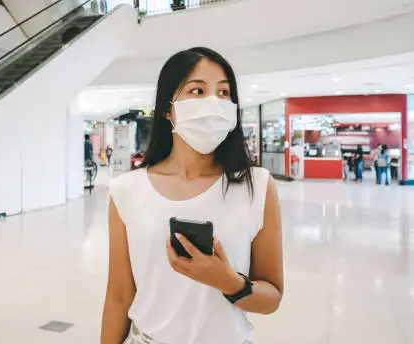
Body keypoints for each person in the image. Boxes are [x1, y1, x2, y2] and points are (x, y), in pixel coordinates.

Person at [101, 47, 284, 344]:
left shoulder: (257, 186)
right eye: (197, 90)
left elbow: (272, 297)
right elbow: (119, 296)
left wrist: (228, 282)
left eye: (224, 93)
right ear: (167, 108)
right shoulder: (126, 190)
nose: (213, 103)